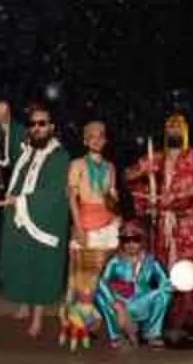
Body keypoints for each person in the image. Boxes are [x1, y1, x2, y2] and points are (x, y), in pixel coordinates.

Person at [125, 112, 193, 334]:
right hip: (163, 225)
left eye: (178, 127)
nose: (173, 131)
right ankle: (165, 318)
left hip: (187, 225)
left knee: (188, 269)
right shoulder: (157, 158)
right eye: (170, 128)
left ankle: (189, 320)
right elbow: (129, 176)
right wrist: (143, 174)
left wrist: (175, 197)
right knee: (163, 269)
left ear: (185, 131)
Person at [0, 104, 70, 337]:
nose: (36, 128)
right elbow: (10, 130)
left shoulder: (60, 156)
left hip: (44, 220)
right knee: (21, 262)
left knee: (40, 265)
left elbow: (54, 192)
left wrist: (18, 200)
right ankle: (24, 306)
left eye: (42, 123)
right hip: (18, 217)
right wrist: (3, 113)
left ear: (51, 127)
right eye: (32, 124)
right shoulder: (25, 150)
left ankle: (37, 318)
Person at [94, 220, 172, 349]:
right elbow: (102, 282)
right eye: (126, 240)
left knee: (165, 292)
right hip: (120, 303)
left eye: (136, 239)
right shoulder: (115, 261)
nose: (131, 244)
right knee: (98, 295)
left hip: (142, 302)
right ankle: (116, 336)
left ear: (142, 241)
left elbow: (165, 281)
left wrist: (172, 285)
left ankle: (152, 333)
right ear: (121, 242)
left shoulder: (151, 261)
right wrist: (116, 303)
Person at [67, 121, 120, 294]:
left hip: (108, 226)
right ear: (85, 141)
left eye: (100, 136)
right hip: (86, 224)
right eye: (92, 136)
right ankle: (83, 310)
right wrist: (78, 227)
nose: (96, 140)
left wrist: (117, 216)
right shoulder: (77, 164)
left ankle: (103, 308)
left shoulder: (110, 167)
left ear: (105, 140)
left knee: (106, 273)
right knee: (85, 277)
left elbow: (112, 199)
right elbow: (72, 198)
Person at [0, 98, 25, 199]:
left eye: (2, 114)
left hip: (13, 176)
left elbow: (21, 160)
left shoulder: (19, 131)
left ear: (9, 112)